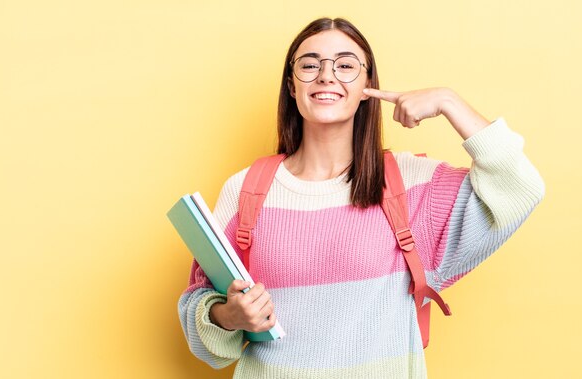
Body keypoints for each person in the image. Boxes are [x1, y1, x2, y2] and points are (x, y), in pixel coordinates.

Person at [177, 17, 544, 378]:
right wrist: (228, 316)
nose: (326, 75)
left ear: (367, 83)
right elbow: (200, 310)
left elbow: (521, 187)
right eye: (309, 65)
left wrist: (450, 102)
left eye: (345, 65)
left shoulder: (412, 184)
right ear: (291, 86)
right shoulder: (245, 189)